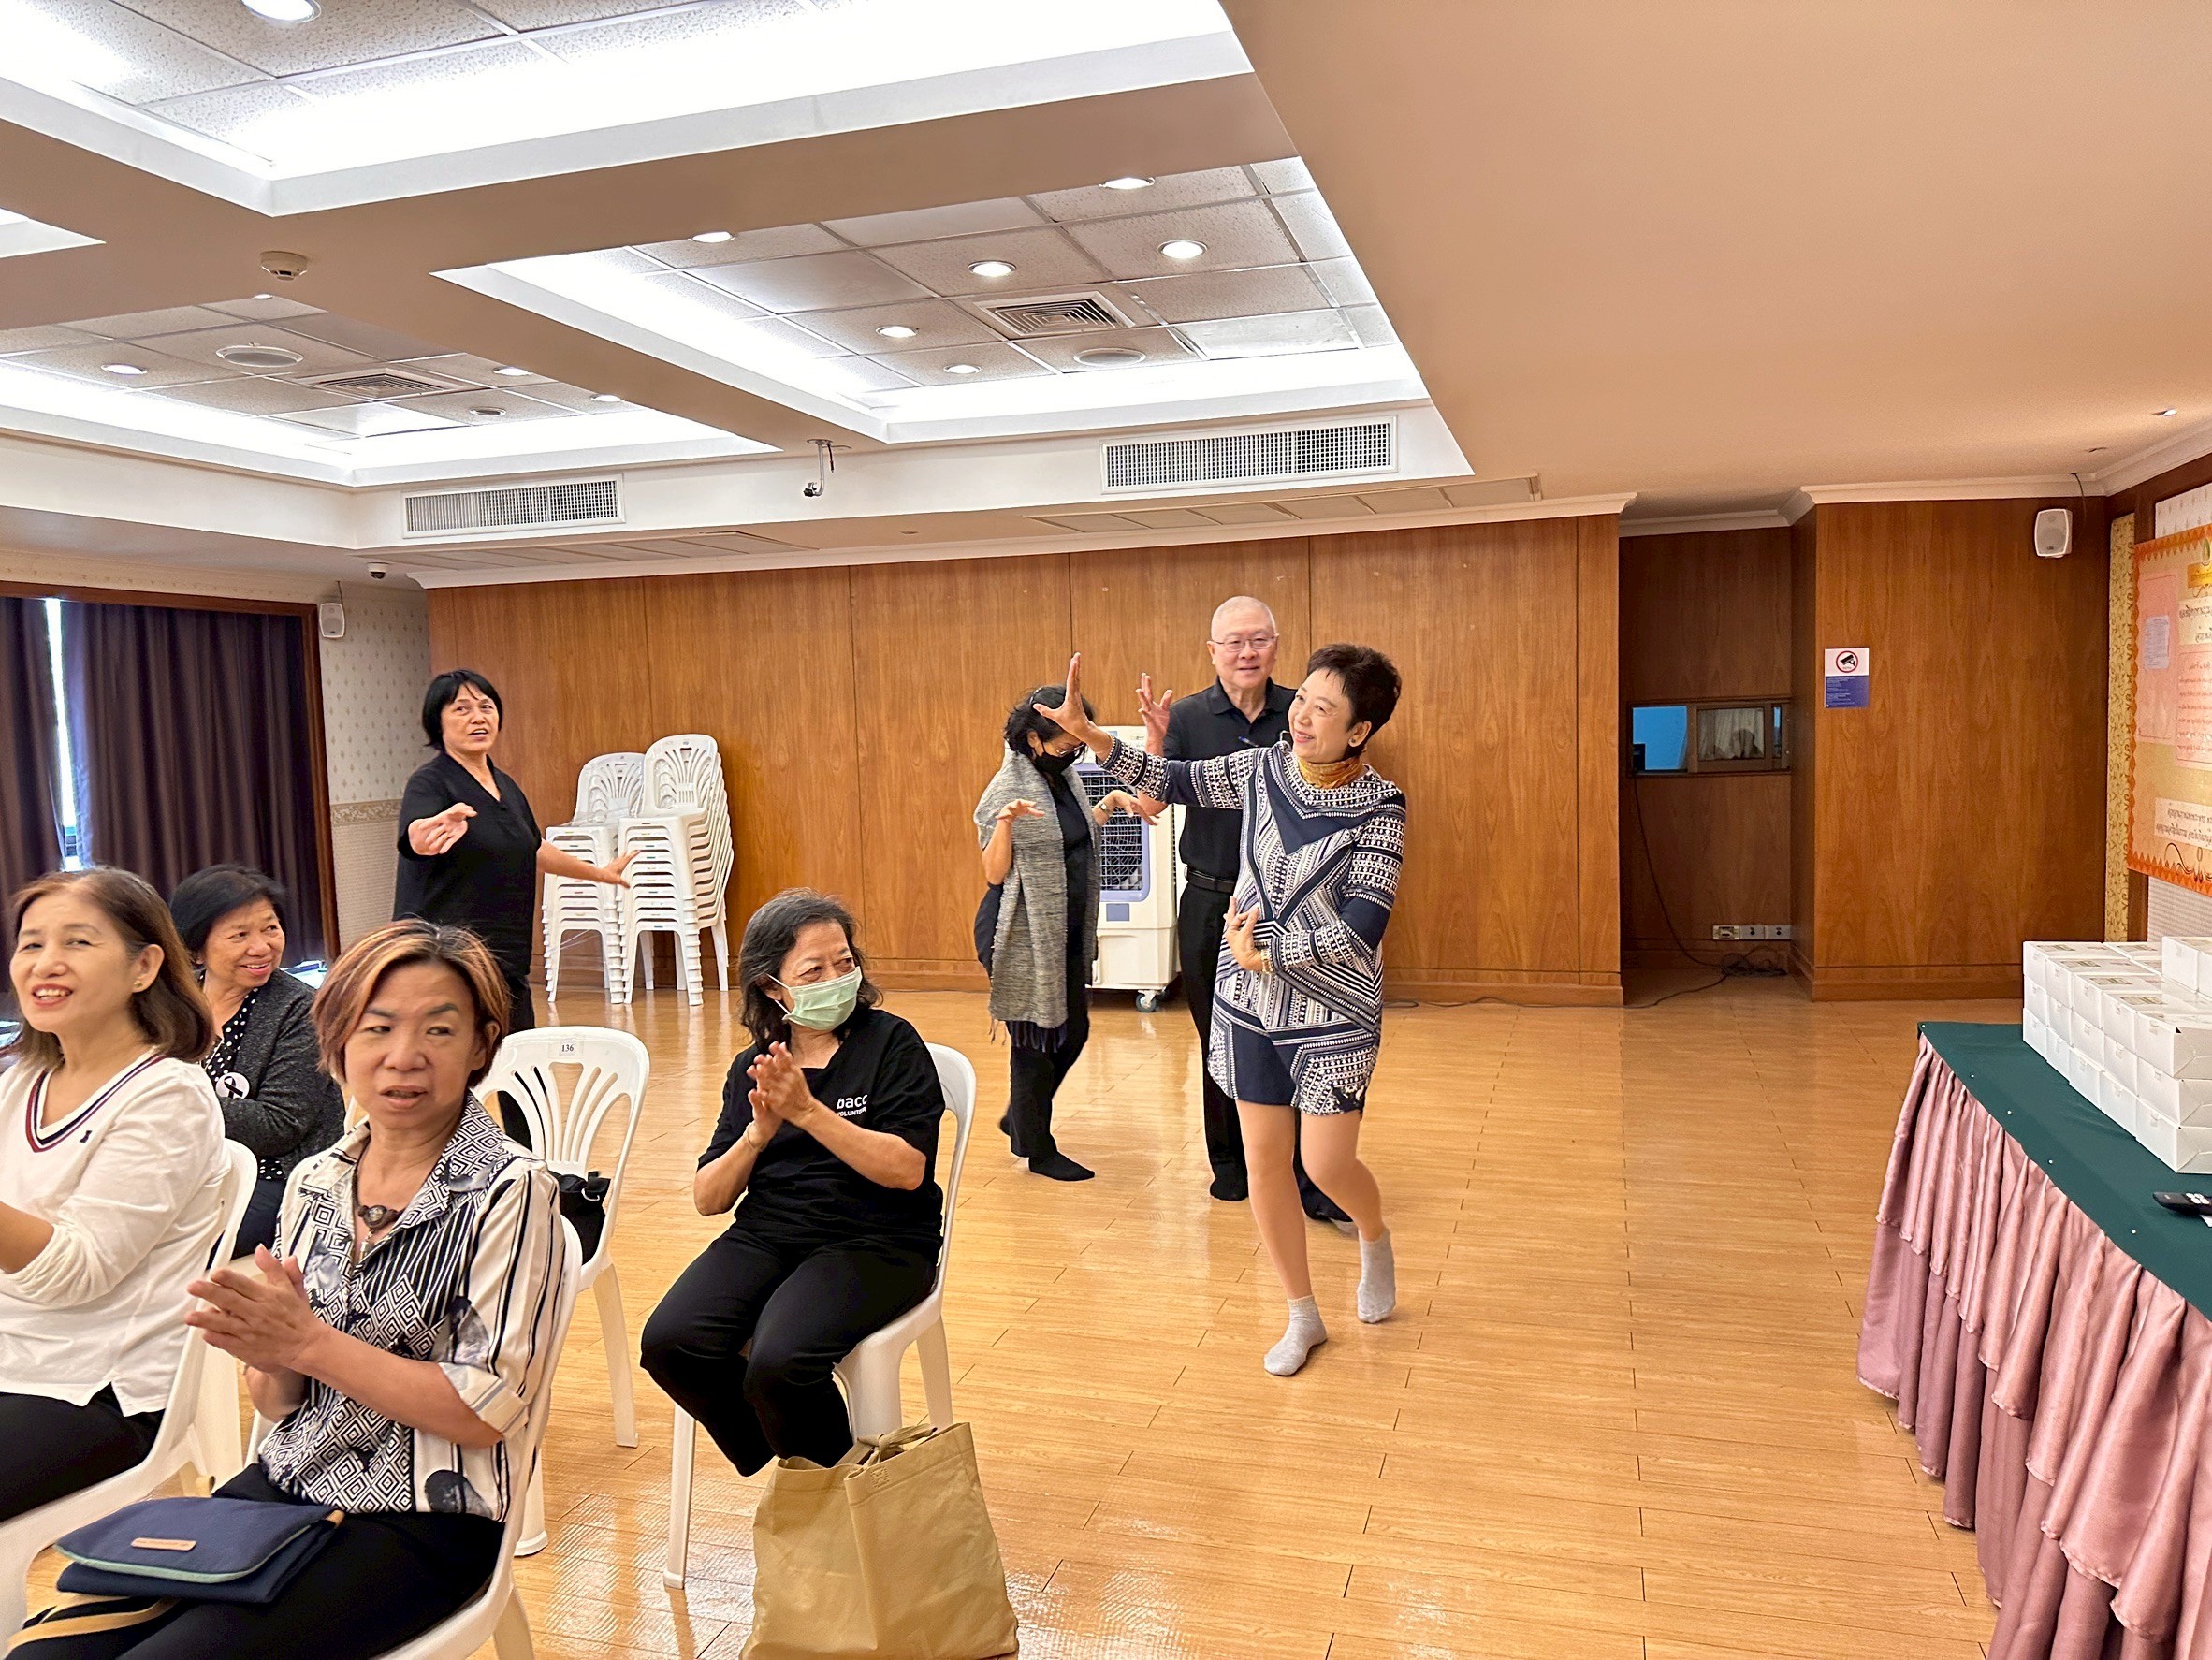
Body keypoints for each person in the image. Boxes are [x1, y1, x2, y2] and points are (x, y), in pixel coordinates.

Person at [20, 920, 573, 1656]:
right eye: (377, 1028)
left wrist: (308, 1343)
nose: (403, 1056)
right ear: (338, 1042)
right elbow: (279, 1404)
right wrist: (271, 1355)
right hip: (283, 1490)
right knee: (46, 1652)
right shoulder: (317, 1180)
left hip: (424, 1519)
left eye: (439, 1031)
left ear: (481, 1046)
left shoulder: (511, 1188)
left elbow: (485, 1411)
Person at [1035, 645, 1407, 1376]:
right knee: (1265, 1165)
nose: (1302, 718)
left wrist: (1271, 949)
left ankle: (1373, 1234)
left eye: (1324, 709)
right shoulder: (1263, 767)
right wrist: (1093, 736)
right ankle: (1302, 1314)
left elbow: (1364, 925)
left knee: (1326, 1164)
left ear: (1359, 730)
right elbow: (1174, 780)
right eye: (1304, 702)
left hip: (1333, 1011)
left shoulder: (1382, 805)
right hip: (1249, 1002)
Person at [640, 890, 946, 1475]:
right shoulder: (756, 1065)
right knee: (671, 1342)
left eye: (845, 962)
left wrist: (808, 1112)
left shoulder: (890, 1043)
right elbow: (708, 1198)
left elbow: (907, 1169)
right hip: (770, 1234)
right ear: (772, 987)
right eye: (814, 970)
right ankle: (790, 1456)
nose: (837, 978)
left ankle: (832, 1489)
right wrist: (757, 1135)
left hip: (877, 1241)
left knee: (781, 1362)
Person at [0, 868, 225, 1525]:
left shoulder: (168, 1096)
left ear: (144, 967)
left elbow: (77, 1272)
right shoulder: (21, 1081)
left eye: (77, 942)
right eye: (31, 944)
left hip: (95, 1389)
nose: (46, 963)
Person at [1140, 596, 1351, 1226]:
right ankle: (1230, 1165)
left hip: (1292, 904)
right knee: (1219, 1039)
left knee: (1299, 1038)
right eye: (1233, 642)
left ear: (1276, 646)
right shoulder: (1185, 716)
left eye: (1259, 639)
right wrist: (1155, 739)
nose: (1247, 652)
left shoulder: (1303, 711)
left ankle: (1309, 1177)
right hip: (1211, 898)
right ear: (1213, 652)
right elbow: (1151, 805)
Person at [394, 668, 632, 1035]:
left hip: (506, 957)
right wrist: (425, 836)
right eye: (462, 709)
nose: (478, 717)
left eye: (486, 707)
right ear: (436, 723)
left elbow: (531, 847)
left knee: (520, 1060)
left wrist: (599, 873)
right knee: (456, 1060)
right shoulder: (429, 783)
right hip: (444, 963)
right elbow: (417, 836)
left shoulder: (505, 785)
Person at [972, 686, 1144, 1182]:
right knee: (1036, 1042)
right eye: (1067, 744)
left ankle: (1021, 1119)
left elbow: (1064, 839)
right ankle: (1037, 1149)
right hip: (1021, 934)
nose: (1075, 752)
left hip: (1063, 928)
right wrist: (1005, 825)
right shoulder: (1006, 790)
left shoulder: (1063, 779)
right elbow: (994, 874)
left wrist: (1108, 804)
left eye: (1078, 743)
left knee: (1073, 1031)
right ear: (1034, 739)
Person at [167, 865, 343, 1255]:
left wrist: (176, 1101)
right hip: (185, 1167)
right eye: (239, 935)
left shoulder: (301, 1009)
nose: (262, 947)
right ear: (196, 948)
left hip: (277, 1175)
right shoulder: (174, 1004)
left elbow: (279, 1125)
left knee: (180, 1249)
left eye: (270, 929)